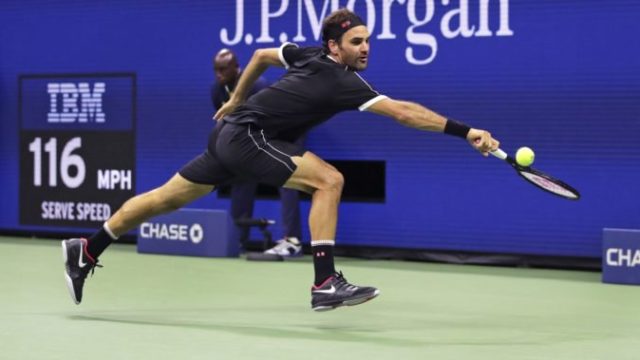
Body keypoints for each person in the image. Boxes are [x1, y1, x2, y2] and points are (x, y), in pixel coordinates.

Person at [62, 8, 499, 311]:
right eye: (356, 42)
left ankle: (86, 248)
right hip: (249, 137)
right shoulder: (342, 79)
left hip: (230, 135)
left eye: (368, 41)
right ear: (335, 46)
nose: (366, 49)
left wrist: (236, 97)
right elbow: (405, 113)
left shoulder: (309, 54)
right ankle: (326, 283)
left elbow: (259, 56)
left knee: (164, 199)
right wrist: (467, 131)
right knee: (329, 180)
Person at [212, 48, 303, 256]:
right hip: (252, 137)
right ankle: (237, 238)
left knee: (286, 180)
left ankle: (292, 241)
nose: (219, 74)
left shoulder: (257, 85)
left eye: (223, 69)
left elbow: (273, 118)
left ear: (237, 68)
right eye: (216, 70)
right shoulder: (216, 90)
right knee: (241, 177)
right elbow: (224, 122)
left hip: (283, 132)